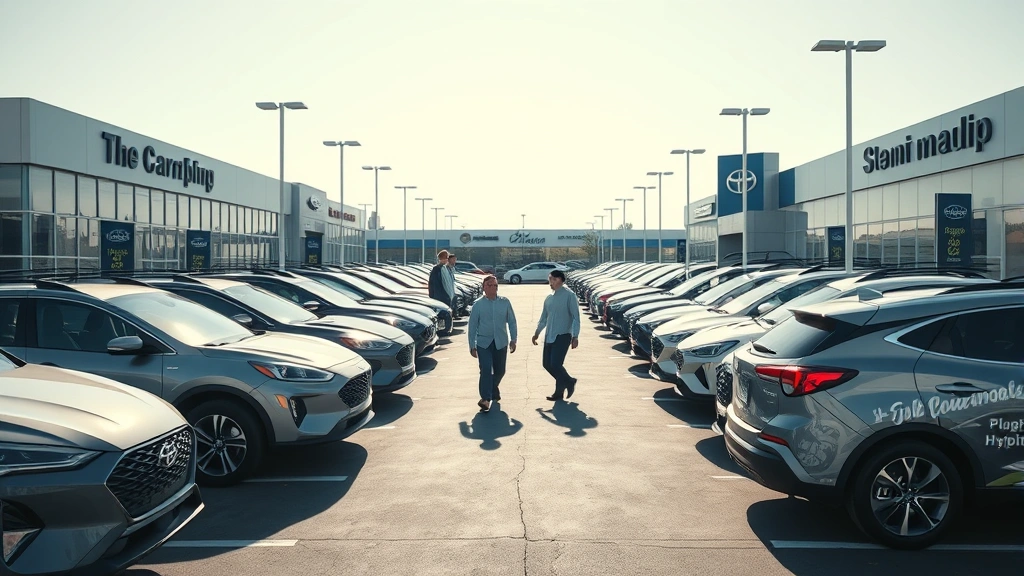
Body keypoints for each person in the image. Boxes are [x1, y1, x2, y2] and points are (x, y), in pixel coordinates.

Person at [468, 275, 518, 412]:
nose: (493, 287)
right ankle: (486, 399)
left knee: (500, 371)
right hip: (483, 343)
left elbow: (512, 322)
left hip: (501, 342)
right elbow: (472, 326)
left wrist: (513, 339)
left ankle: (493, 390)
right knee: (486, 369)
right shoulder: (478, 304)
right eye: (490, 285)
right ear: (484, 287)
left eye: (495, 285)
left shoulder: (505, 302)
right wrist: (472, 345)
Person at [532, 269, 581, 401]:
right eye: (549, 279)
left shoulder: (569, 296)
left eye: (552, 279)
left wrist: (575, 336)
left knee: (556, 364)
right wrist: (537, 333)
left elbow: (576, 317)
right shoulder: (549, 298)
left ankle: (563, 388)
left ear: (559, 279)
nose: (550, 282)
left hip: (563, 335)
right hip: (549, 336)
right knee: (547, 364)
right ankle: (567, 382)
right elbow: (543, 318)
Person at [428, 250, 454, 335]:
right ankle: (443, 331)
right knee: (442, 315)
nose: (447, 260)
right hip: (440, 297)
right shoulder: (437, 269)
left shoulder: (445, 268)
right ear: (442, 258)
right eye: (446, 258)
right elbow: (435, 285)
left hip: (446, 296)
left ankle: (447, 329)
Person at [447, 253, 460, 319]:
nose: (455, 261)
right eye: (453, 259)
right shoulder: (446, 269)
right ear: (449, 259)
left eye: (455, 259)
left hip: (452, 289)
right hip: (448, 290)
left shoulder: (452, 268)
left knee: (454, 301)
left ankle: (455, 314)